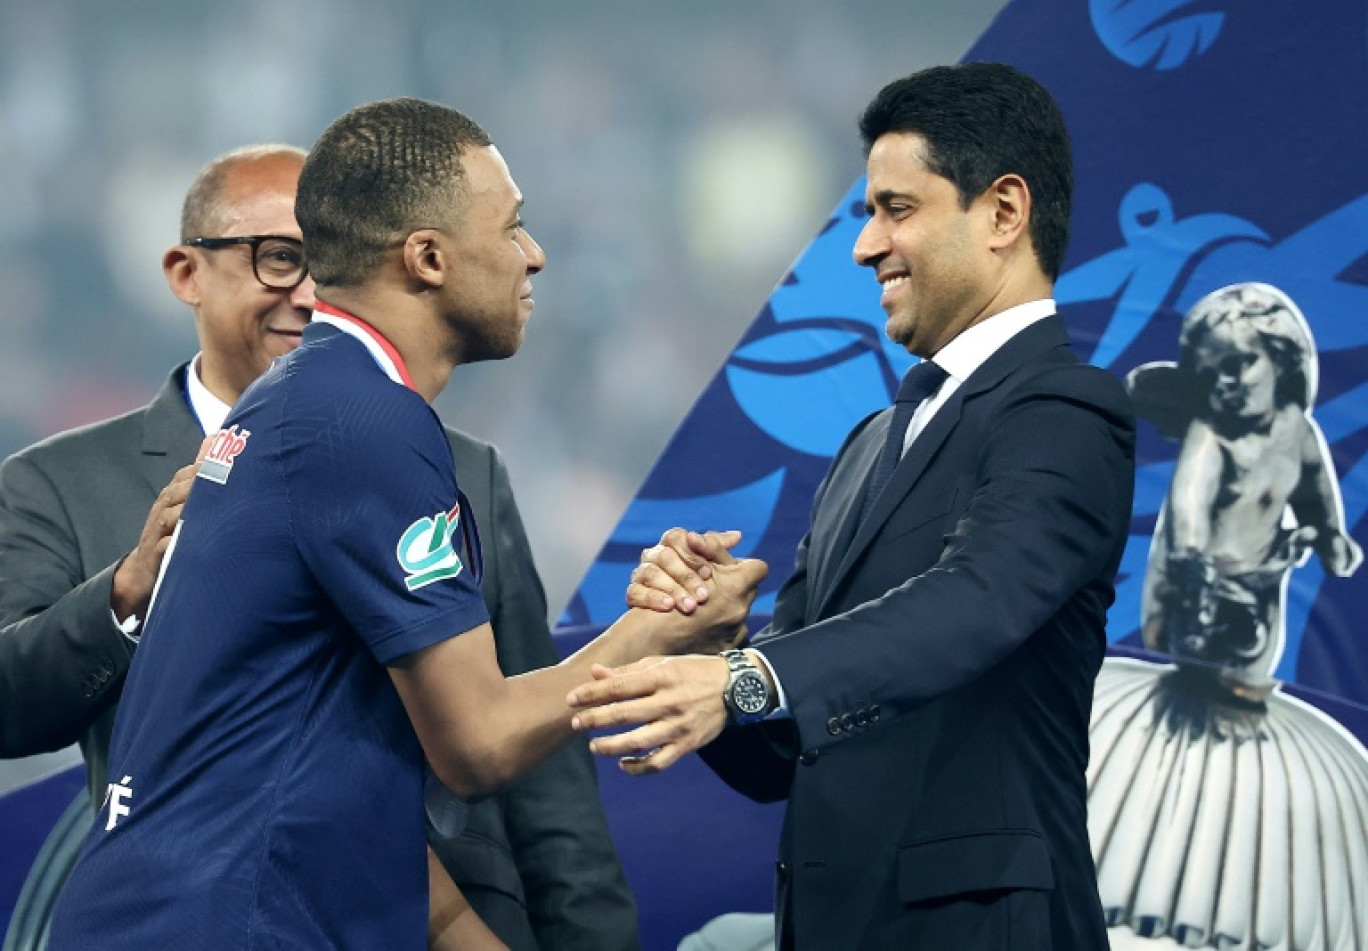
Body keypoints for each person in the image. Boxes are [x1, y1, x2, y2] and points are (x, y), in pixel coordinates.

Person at [44, 99, 765, 949]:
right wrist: (663, 628)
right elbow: (480, 744)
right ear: (427, 256)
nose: (533, 256)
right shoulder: (363, 424)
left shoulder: (300, 404)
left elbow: (342, 792)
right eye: (514, 226)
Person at [568, 63, 1136, 950]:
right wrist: (715, 641)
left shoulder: (1066, 407)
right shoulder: (871, 442)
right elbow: (779, 754)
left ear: (1004, 213)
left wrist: (743, 679)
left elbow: (978, 599)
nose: (865, 245)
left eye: (896, 208)